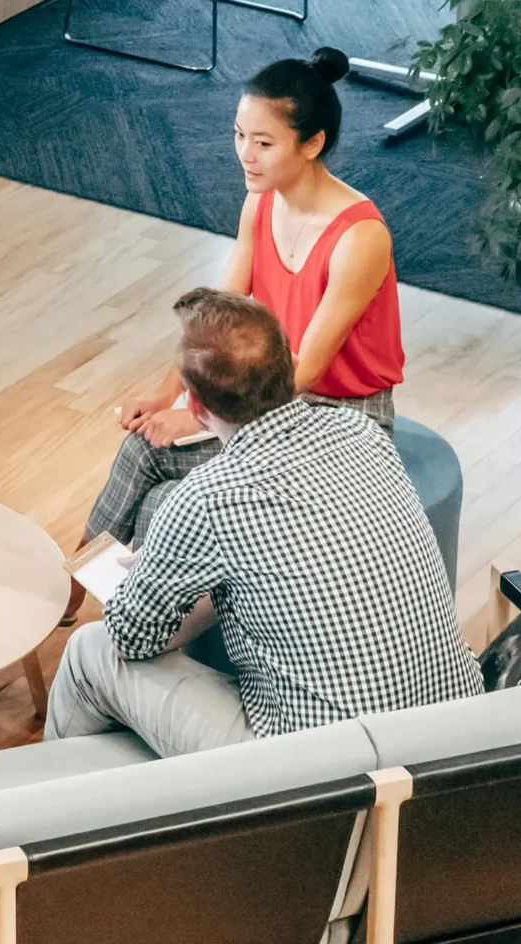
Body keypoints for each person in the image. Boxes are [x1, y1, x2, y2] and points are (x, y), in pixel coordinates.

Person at [46, 289, 483, 758]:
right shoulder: (365, 435)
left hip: (320, 776)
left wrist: (159, 579)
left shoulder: (207, 498)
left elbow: (132, 639)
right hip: (454, 741)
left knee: (89, 653)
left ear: (194, 407)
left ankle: (52, 815)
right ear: (289, 367)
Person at [63, 46, 405, 626]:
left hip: (339, 415)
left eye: (264, 143)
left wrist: (198, 417)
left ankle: (144, 630)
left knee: (170, 504)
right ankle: (73, 590)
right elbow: (217, 322)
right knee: (142, 446)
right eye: (239, 135)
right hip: (262, 391)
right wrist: (167, 394)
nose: (246, 154)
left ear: (313, 143)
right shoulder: (260, 200)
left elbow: (306, 373)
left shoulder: (360, 237)